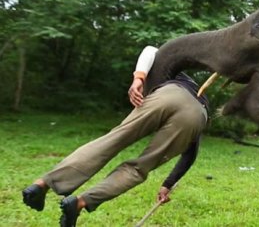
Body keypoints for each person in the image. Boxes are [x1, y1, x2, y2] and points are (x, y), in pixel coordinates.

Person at [22, 46, 209, 227]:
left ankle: (42, 184)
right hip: (197, 115)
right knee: (139, 169)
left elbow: (150, 49)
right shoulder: (187, 84)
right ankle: (79, 203)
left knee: (110, 142)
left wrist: (138, 79)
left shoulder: (162, 73)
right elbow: (190, 155)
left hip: (169, 94)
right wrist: (167, 185)